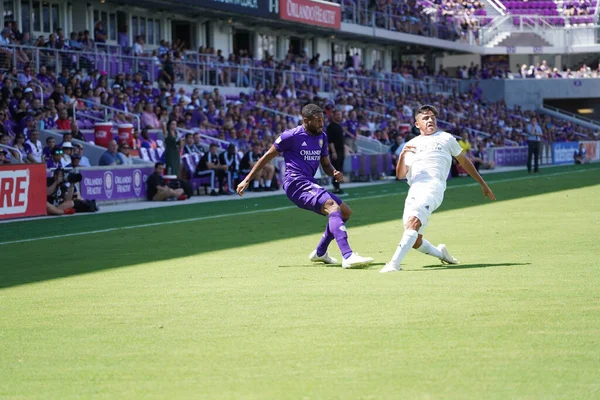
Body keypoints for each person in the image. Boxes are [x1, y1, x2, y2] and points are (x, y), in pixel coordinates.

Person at [236, 104, 374, 269]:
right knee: (332, 206)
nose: (321, 123)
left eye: (322, 119)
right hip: (295, 183)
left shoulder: (322, 136)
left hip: (309, 182)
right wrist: (247, 179)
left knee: (345, 212)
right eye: (317, 120)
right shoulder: (290, 136)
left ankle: (320, 252)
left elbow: (326, 165)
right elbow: (267, 156)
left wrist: (334, 172)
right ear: (306, 120)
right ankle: (348, 255)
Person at [380, 105, 496, 273]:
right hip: (414, 189)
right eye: (425, 118)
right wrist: (402, 155)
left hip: (433, 186)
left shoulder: (446, 138)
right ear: (417, 124)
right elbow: (400, 175)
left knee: (413, 223)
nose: (430, 120)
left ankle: (393, 264)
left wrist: (483, 184)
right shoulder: (411, 144)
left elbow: (464, 161)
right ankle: (441, 254)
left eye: (432, 117)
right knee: (414, 239)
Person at [326, 109, 345, 194]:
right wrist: (333, 152)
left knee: (339, 169)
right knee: (336, 169)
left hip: (341, 150)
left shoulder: (339, 126)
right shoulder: (331, 126)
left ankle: (338, 186)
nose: (339, 116)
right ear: (333, 116)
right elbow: (330, 141)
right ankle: (336, 187)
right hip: (335, 151)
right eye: (337, 114)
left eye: (340, 114)